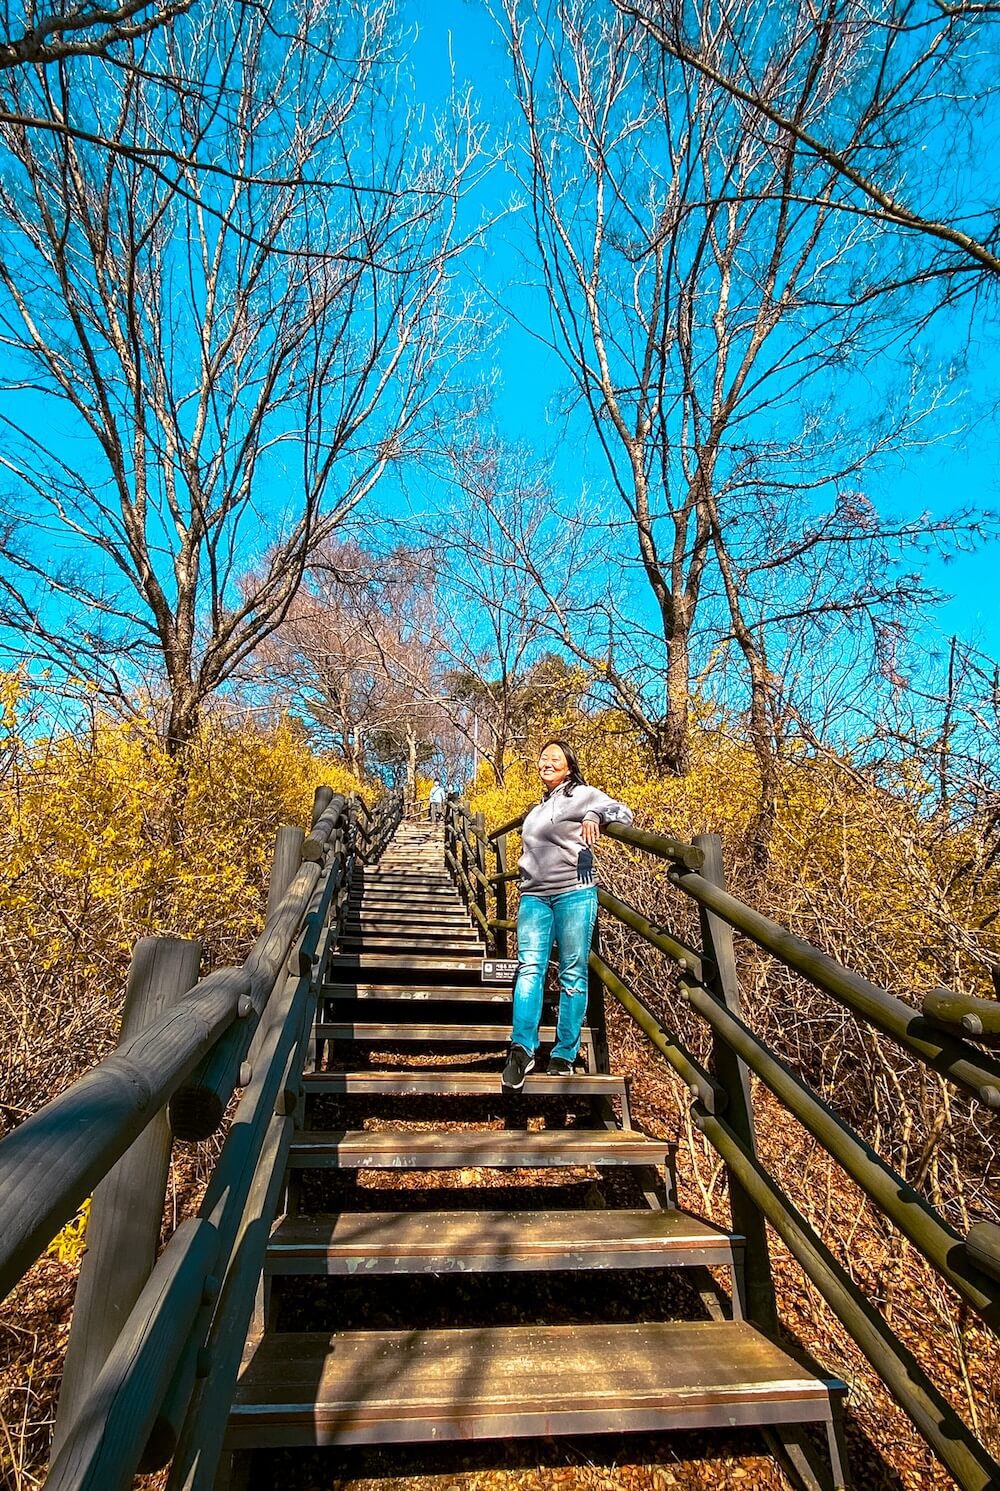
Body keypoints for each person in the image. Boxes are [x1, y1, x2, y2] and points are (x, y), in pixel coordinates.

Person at [501, 739, 633, 1091]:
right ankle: (521, 1049)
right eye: (543, 757)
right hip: (533, 897)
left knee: (573, 973)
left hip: (574, 893)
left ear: (569, 765)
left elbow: (624, 813)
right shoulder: (536, 808)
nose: (546, 762)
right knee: (530, 969)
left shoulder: (584, 794)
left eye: (554, 758)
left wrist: (594, 814)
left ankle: (563, 1054)